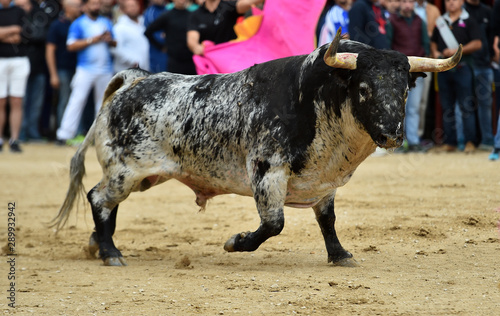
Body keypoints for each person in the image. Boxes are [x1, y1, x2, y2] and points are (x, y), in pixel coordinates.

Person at [56, 0, 116, 144]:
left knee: (103, 104)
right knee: (77, 100)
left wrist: (109, 40)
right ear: (85, 6)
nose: (96, 6)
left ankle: (101, 136)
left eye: (98, 4)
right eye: (93, 4)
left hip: (105, 69)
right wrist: (92, 40)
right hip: (85, 69)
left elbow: (115, 43)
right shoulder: (78, 23)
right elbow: (70, 45)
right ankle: (64, 134)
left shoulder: (106, 22)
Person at [430, 0, 481, 153]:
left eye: (455, 0)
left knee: (466, 106)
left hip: (463, 68)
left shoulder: (469, 20)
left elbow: (478, 43)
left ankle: (470, 142)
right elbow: (433, 42)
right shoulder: (440, 22)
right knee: (447, 107)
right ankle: (450, 142)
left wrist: (456, 51)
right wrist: (436, 53)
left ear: (461, 2)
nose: (451, 2)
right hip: (444, 69)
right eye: (448, 0)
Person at [387, 0, 429, 153]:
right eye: (404, 1)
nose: (407, 5)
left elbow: (426, 44)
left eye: (410, 1)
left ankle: (413, 141)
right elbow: (388, 46)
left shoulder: (420, 21)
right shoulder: (391, 21)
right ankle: (399, 142)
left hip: (416, 71)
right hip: (398, 72)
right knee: (399, 108)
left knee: (414, 108)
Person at [15, 0, 49, 142]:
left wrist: (20, 35)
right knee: (20, 102)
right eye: (19, 6)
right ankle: (20, 134)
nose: (22, 9)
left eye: (24, 5)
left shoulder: (39, 16)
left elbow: (41, 35)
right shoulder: (12, 18)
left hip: (39, 67)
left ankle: (33, 132)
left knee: (36, 103)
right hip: (19, 67)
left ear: (30, 5)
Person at [46, 0, 81, 129]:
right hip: (63, 69)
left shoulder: (80, 23)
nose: (80, 9)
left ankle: (76, 132)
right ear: (68, 7)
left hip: (79, 68)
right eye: (77, 6)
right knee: (64, 100)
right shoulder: (57, 25)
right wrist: (53, 74)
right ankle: (63, 132)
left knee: (77, 101)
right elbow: (50, 50)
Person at [464, 0, 495, 151]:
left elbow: (492, 36)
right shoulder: (460, 10)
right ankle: (466, 141)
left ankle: (487, 140)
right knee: (465, 104)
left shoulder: (487, 11)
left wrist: (491, 56)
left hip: (484, 65)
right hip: (465, 65)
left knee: (485, 103)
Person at [0, 0, 29, 152]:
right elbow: (17, 31)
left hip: (19, 60)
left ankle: (14, 140)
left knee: (17, 101)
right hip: (0, 61)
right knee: (1, 102)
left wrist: (2, 34)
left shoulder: (19, 11)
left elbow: (23, 34)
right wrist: (13, 30)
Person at [187, 0, 265, 56]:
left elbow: (249, 2)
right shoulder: (196, 15)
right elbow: (192, 39)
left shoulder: (229, 6)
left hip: (230, 60)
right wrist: (197, 48)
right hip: (209, 64)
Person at [145, 0, 196, 74]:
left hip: (190, 61)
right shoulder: (167, 15)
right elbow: (148, 32)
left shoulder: (192, 15)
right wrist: (161, 47)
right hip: (174, 61)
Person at [414, 0, 440, 141]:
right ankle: (402, 137)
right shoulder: (405, 6)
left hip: (425, 59)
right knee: (403, 102)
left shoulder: (433, 10)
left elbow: (440, 32)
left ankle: (417, 136)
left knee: (422, 102)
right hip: (404, 60)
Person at [112, 0, 150, 73]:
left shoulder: (144, 22)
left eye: (135, 5)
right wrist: (132, 61)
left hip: (144, 70)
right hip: (126, 72)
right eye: (129, 6)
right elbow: (114, 48)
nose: (133, 8)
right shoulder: (119, 27)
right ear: (123, 10)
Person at [143, 0, 167, 73]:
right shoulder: (150, 13)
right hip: (158, 54)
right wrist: (162, 45)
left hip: (170, 55)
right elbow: (151, 34)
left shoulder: (167, 9)